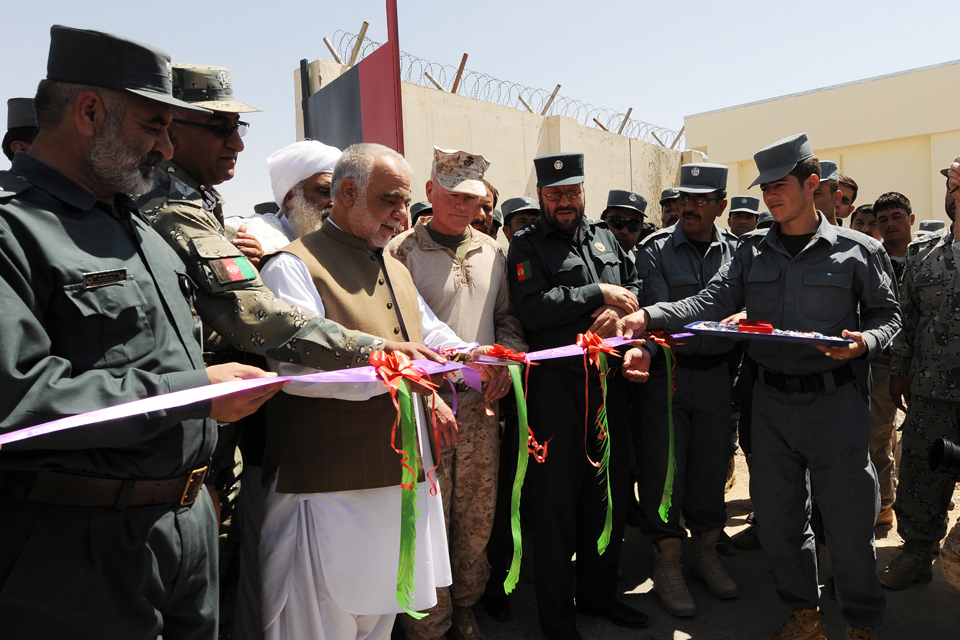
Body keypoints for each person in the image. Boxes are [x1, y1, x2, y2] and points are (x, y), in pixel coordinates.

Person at [0, 25, 283, 639]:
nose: (164, 147)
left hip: (184, 527)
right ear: (90, 111)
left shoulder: (142, 229)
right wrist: (192, 393)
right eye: (153, 126)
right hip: (78, 547)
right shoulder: (14, 231)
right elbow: (20, 399)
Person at [619, 132, 900, 640]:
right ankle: (804, 616)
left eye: (780, 185)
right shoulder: (750, 253)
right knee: (780, 523)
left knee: (849, 524)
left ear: (812, 184)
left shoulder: (858, 251)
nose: (770, 195)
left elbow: (889, 317)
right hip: (769, 403)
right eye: (765, 186)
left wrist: (866, 343)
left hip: (835, 403)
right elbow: (707, 302)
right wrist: (647, 315)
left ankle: (861, 622)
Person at [256, 143, 473, 640]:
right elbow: (296, 366)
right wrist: (395, 370)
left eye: (403, 202)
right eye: (391, 201)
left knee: (380, 620)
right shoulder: (293, 266)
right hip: (331, 487)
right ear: (347, 193)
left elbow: (428, 332)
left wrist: (474, 355)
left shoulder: (393, 266)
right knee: (323, 623)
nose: (402, 215)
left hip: (401, 481)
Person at [508, 152, 650, 639]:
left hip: (606, 384)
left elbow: (632, 288)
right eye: (554, 195)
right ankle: (557, 619)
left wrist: (621, 315)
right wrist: (598, 295)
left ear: (584, 191)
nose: (564, 202)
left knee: (604, 497)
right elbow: (532, 309)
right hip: (555, 392)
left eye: (572, 192)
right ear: (543, 197)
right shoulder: (526, 245)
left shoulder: (606, 236)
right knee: (554, 507)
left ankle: (599, 596)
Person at [389, 146, 527, 640]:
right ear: (429, 192)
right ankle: (428, 623)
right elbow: (393, 328)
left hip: (482, 408)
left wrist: (503, 363)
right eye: (452, 196)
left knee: (475, 515)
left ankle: (465, 606)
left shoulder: (491, 251)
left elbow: (508, 319)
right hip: (425, 408)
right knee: (427, 517)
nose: (463, 208)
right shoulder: (399, 252)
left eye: (472, 200)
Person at [634, 163, 739, 618]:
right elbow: (664, 312)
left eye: (702, 199)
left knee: (711, 466)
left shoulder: (738, 251)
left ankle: (707, 552)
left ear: (721, 205)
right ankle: (668, 561)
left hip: (718, 375)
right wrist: (720, 320)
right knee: (664, 470)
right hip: (669, 375)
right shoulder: (655, 250)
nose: (690, 207)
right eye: (685, 199)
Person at [881, 163, 960, 591]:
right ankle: (917, 551)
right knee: (921, 472)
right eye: (952, 186)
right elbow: (906, 321)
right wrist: (898, 371)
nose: (956, 193)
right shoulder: (922, 254)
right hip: (931, 391)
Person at [868, 192, 914, 527]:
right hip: (883, 363)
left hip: (929, 366)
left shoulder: (931, 255)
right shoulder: (871, 259)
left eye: (896, 216)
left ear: (910, 219)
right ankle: (884, 506)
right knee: (878, 438)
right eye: (882, 220)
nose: (890, 224)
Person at [224, 139, 341, 255]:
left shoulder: (343, 244)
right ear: (291, 198)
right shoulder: (248, 233)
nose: (335, 203)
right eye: (325, 191)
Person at [600, 189, 647, 255]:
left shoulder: (641, 263)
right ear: (602, 223)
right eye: (617, 222)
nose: (624, 231)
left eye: (633, 225)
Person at [812, 160, 842, 226]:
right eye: (805, 193)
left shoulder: (852, 236)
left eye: (816, 193)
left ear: (837, 198)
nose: (808, 199)